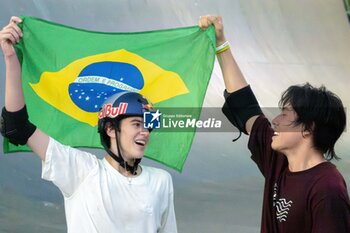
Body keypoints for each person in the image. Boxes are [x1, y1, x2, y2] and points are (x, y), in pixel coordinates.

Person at [0, 16, 177, 233]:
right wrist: (10, 58)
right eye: (137, 124)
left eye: (148, 126)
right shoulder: (81, 171)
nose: (145, 132)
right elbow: (16, 125)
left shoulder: (161, 181)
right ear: (111, 129)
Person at [199, 15, 350, 232]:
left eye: (286, 115)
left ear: (308, 129)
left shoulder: (327, 188)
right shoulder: (278, 161)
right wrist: (221, 43)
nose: (276, 122)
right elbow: (246, 109)